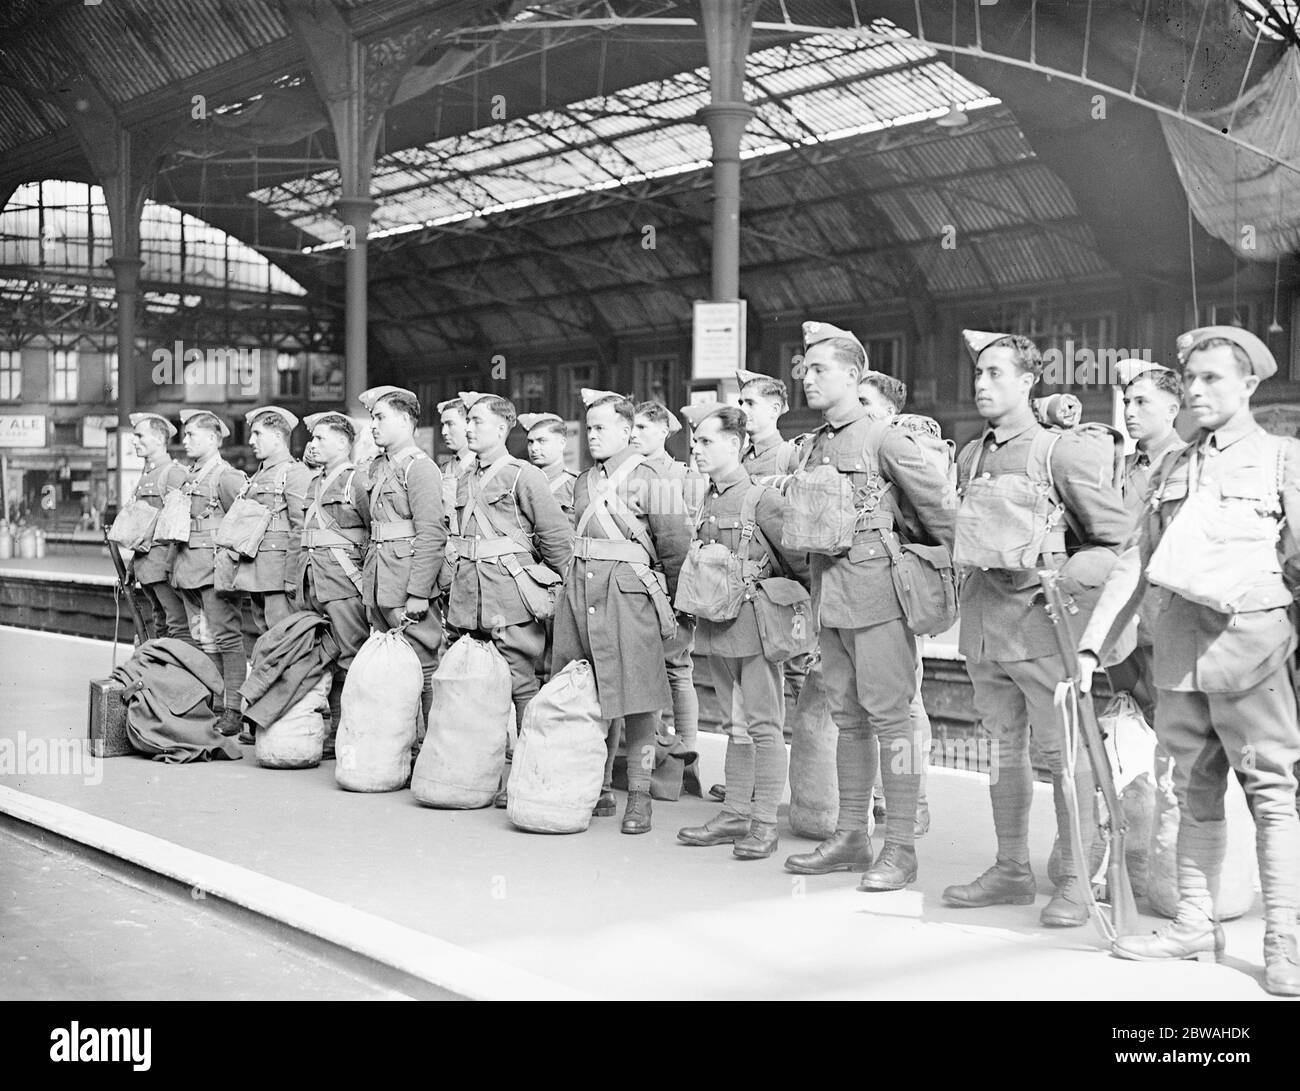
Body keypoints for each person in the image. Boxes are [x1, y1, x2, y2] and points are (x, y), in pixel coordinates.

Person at [1077, 326, 1300, 996]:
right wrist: (1093, 641)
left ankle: (1283, 942)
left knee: (1273, 798)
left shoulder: (1281, 459)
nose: (1197, 390)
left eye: (1212, 379)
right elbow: (1134, 560)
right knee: (1193, 793)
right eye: (1192, 378)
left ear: (1250, 385)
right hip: (1178, 655)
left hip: (1251, 651)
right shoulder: (1172, 467)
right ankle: (1196, 921)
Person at [941, 329, 1131, 927]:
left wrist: (1071, 574)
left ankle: (1074, 877)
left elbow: (1119, 540)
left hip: (1042, 629)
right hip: (986, 629)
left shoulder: (1060, 452)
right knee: (1002, 751)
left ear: (1028, 382)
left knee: (1064, 755)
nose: (982, 383)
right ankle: (1010, 869)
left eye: (997, 373)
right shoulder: (971, 454)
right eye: (978, 373)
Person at [782, 321, 956, 891]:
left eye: (820, 369)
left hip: (880, 599)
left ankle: (900, 847)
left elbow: (945, 517)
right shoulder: (812, 444)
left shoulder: (886, 439)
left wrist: (924, 572)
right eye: (805, 369)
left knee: (895, 721)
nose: (808, 378)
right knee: (849, 721)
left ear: (855, 376)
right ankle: (852, 836)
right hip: (829, 600)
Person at [552, 389, 691, 833]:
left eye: (601, 428)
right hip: (581, 593)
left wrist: (676, 610)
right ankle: (596, 788)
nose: (591, 436)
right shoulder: (579, 482)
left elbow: (676, 549)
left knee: (638, 700)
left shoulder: (657, 478)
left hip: (630, 597)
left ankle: (640, 794)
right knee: (589, 691)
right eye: (588, 428)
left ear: (628, 430)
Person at [676, 405, 809, 859]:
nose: (696, 449)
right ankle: (735, 813)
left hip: (754, 629)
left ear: (734, 445)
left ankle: (765, 822)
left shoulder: (761, 499)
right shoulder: (709, 497)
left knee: (765, 726)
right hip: (718, 625)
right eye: (695, 442)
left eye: (706, 441)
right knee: (736, 726)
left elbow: (802, 565)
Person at [445, 391, 573, 803]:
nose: (468, 428)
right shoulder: (465, 475)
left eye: (477, 421)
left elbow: (557, 541)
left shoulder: (522, 475)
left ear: (501, 428)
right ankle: (485, 771)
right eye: (467, 421)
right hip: (470, 599)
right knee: (478, 687)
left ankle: (528, 770)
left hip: (511, 596)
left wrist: (560, 594)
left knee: (520, 685)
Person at [857, 371, 934, 836]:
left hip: (898, 590)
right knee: (878, 702)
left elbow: (932, 514)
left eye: (865, 401)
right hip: (866, 592)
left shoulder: (901, 445)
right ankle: (879, 800)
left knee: (905, 703)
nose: (858, 409)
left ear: (888, 409)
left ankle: (912, 801)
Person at [360, 385, 449, 735]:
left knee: (421, 662)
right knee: (392, 668)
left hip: (406, 582)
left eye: (380, 417)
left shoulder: (420, 468)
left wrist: (418, 593)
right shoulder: (379, 466)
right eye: (372, 419)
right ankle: (402, 746)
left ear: (405, 419)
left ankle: (428, 748)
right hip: (381, 580)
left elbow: (432, 534)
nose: (374, 426)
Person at [1105, 360, 1187, 725]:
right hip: (1116, 621)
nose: (1129, 411)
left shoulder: (1190, 463)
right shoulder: (1114, 467)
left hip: (1165, 621)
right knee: (1128, 719)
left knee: (1173, 727)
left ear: (1172, 409)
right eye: (1126, 401)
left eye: (1142, 402)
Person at [632, 400, 704, 788]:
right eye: (633, 427)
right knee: (644, 672)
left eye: (644, 427)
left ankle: (688, 755)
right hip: (637, 587)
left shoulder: (684, 476)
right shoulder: (626, 473)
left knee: (677, 669)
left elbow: (689, 537)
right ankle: (657, 760)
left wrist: (684, 596)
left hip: (672, 585)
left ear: (664, 431)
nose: (635, 434)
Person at [168, 410, 249, 737]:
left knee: (226, 639)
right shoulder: (191, 475)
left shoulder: (226, 477)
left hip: (215, 571)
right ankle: (213, 705)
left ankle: (232, 709)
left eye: (192, 435)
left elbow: (244, 524)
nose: (185, 440)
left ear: (213, 439)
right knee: (203, 639)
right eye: (185, 435)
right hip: (188, 568)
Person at [297, 412, 371, 753]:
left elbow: (375, 532)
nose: (312, 444)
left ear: (342, 443)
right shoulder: (316, 483)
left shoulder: (356, 481)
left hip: (344, 582)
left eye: (320, 438)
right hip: (313, 581)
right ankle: (330, 728)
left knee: (348, 658)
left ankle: (345, 732)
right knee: (321, 656)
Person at [215, 406, 313, 638]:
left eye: (258, 434)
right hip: (257, 573)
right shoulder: (259, 476)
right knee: (268, 637)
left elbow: (302, 529)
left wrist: (292, 577)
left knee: (284, 641)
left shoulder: (294, 472)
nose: (251, 440)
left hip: (279, 576)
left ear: (278, 437)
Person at [124, 412, 189, 641]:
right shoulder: (147, 476)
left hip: (164, 568)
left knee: (177, 625)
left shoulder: (174, 474)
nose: (134, 441)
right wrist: (132, 566)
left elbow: (179, 527)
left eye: (140, 436)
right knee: (160, 622)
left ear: (160, 439)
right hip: (148, 568)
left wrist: (172, 567)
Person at [737, 369, 802, 478]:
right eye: (741, 403)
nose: (742, 409)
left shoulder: (789, 457)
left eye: (750, 403)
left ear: (774, 410)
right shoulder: (737, 457)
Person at [519, 412, 576, 525]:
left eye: (542, 441)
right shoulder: (519, 481)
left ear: (562, 443)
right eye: (530, 442)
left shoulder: (576, 484)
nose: (534, 448)